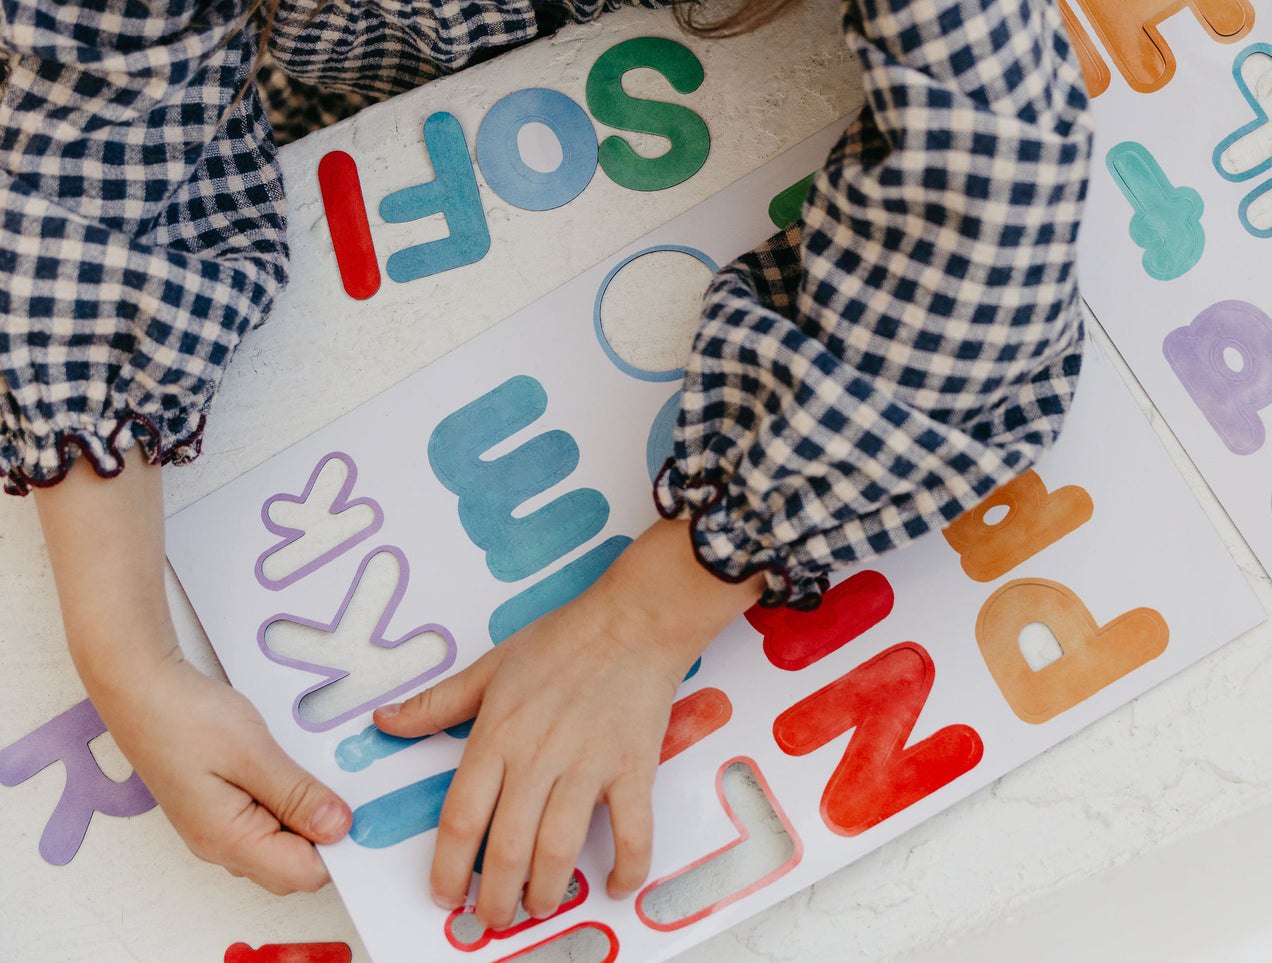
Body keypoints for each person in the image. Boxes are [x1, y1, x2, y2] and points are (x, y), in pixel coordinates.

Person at [1, 0, 1091, 933]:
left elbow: (994, 174)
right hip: (351, 178)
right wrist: (121, 648)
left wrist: (651, 612)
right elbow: (88, 146)